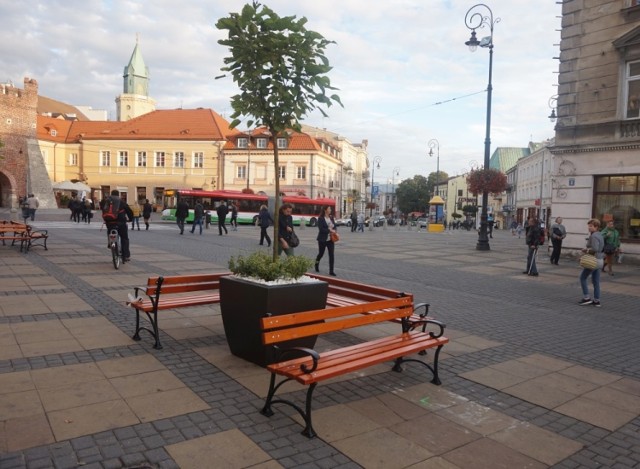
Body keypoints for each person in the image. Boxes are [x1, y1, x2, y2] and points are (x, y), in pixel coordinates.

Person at [579, 218, 604, 307]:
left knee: (582, 278)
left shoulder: (593, 236)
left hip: (593, 261)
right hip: (600, 260)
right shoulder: (600, 235)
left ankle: (587, 298)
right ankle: (597, 300)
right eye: (589, 226)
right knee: (596, 281)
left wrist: (586, 250)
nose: (589, 228)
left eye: (591, 226)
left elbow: (595, 249)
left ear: (596, 227)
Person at [105, 190, 133, 262]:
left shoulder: (107, 201)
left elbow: (104, 210)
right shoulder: (122, 202)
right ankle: (126, 255)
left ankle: (110, 243)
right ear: (118, 195)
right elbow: (129, 211)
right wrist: (130, 219)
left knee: (110, 231)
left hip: (110, 222)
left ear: (111, 194)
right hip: (121, 222)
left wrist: (106, 220)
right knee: (124, 238)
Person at [315, 206, 338, 276]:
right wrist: (329, 230)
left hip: (331, 239)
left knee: (331, 255)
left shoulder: (331, 217)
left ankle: (331, 271)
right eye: (329, 209)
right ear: (325, 210)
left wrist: (335, 230)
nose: (330, 210)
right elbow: (321, 229)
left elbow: (334, 226)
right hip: (322, 239)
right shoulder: (321, 218)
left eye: (330, 209)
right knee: (321, 254)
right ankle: (316, 264)